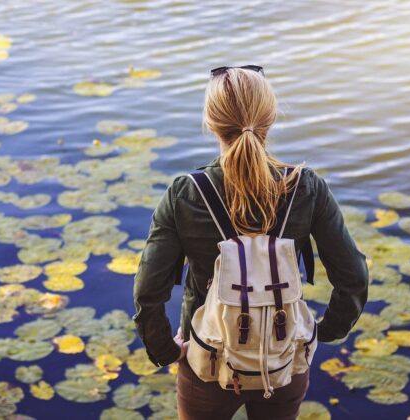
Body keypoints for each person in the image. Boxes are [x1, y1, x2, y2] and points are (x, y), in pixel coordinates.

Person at [132, 65, 369, 420]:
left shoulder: (185, 193)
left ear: (211, 123)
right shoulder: (306, 187)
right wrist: (322, 332)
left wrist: (166, 350)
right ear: (269, 119)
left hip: (206, 364)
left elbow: (148, 293)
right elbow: (353, 277)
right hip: (283, 362)